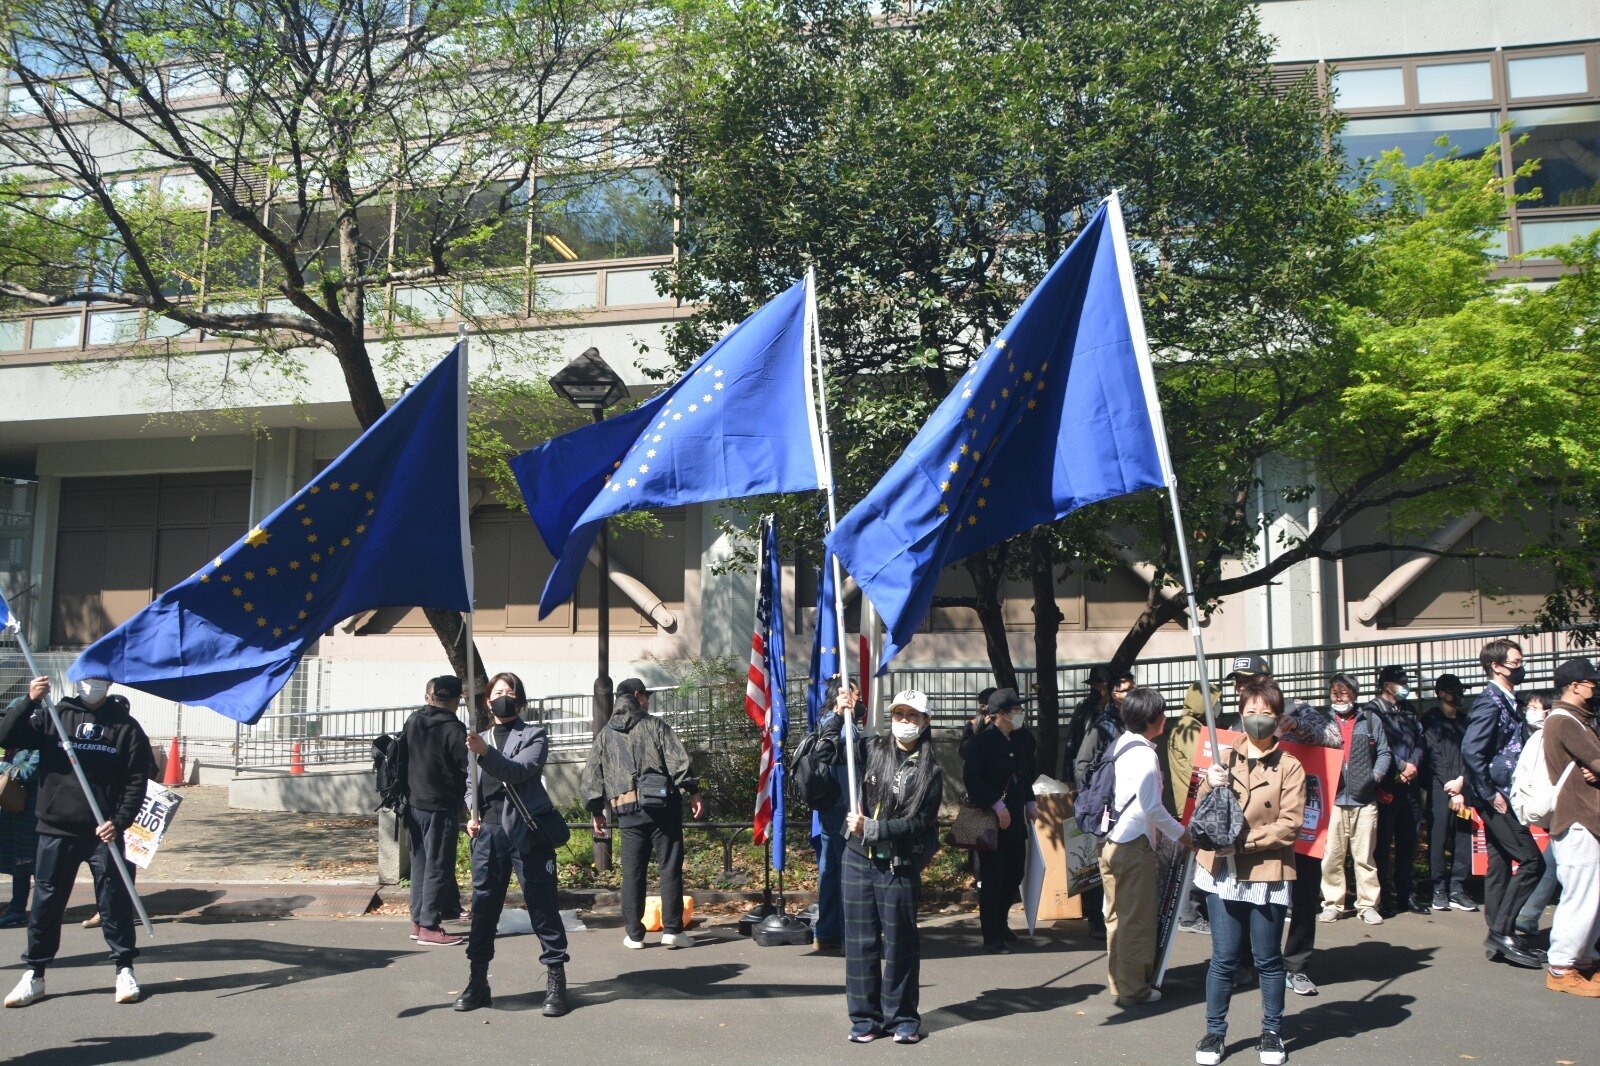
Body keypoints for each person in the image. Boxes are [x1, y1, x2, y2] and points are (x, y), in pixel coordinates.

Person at [1, 676, 149, 1008]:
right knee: (46, 905)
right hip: (56, 828)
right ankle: (35, 974)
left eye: (97, 680)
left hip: (103, 832)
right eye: (84, 679)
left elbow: (137, 779)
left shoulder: (126, 726)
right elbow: (6, 735)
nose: (90, 685)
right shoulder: (53, 717)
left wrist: (120, 821)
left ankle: (124, 968)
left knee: (115, 902)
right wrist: (29, 700)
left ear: (109, 685)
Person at [819, 689, 943, 1044]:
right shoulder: (871, 749)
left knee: (901, 943)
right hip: (857, 858)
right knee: (860, 943)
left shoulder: (931, 770)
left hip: (899, 864)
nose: (904, 722)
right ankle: (864, 1018)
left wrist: (877, 829)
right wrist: (836, 715)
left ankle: (903, 1017)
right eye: (898, 714)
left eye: (912, 716)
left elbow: (920, 822)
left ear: (925, 721)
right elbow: (827, 753)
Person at [1192, 679, 1305, 1066]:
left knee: (1268, 959)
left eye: (1267, 713)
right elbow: (1201, 815)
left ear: (1278, 718)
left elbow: (1290, 825)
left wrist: (1243, 844)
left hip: (1266, 870)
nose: (1258, 720)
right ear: (1241, 714)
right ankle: (1214, 1032)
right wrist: (1209, 783)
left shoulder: (1290, 767)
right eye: (1251, 711)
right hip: (1222, 872)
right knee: (1223, 958)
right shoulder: (1221, 760)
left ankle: (1272, 1032)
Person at [454, 672, 571, 1016]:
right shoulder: (479, 738)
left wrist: (484, 751)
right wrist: (472, 811)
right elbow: (469, 783)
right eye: (497, 692)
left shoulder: (533, 735)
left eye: (511, 692)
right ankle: (478, 981)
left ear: (519, 701)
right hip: (488, 836)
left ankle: (555, 980)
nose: (504, 697)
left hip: (527, 834)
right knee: (484, 908)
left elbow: (518, 772)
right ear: (487, 701)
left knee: (542, 905)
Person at [1226, 655, 1341, 998]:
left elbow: (1335, 738)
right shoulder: (1236, 723)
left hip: (1301, 822)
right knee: (1248, 891)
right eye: (1237, 681)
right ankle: (1246, 962)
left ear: (1268, 680)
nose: (1241, 687)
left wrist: (1295, 726)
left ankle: (1296, 965)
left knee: (1304, 893)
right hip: (1256, 826)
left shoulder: (1298, 708)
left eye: (1248, 680)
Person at [582, 677, 704, 950]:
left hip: (627, 813)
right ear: (638, 695)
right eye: (646, 696)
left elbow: (592, 777)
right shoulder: (655, 726)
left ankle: (635, 934)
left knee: (632, 872)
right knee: (669, 867)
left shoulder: (605, 735)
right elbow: (678, 762)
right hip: (663, 809)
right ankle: (672, 930)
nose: (648, 701)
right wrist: (693, 792)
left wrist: (596, 810)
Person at [1101, 686, 1189, 1007]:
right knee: (1136, 920)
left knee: (1116, 918)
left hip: (1110, 843)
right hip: (1133, 845)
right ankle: (1134, 989)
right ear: (1152, 720)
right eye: (1163, 713)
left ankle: (1119, 981)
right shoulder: (1146, 754)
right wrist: (1183, 834)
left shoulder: (1121, 744)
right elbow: (1153, 808)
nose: (1166, 718)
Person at [1462, 637, 1546, 969]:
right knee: (1531, 863)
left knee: (1499, 865)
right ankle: (1502, 933)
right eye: (1514, 662)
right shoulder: (1489, 701)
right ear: (1496, 666)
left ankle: (1500, 934)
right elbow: (1472, 750)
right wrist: (1488, 793)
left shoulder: (1509, 700)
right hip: (1495, 797)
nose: (1520, 667)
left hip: (1502, 794)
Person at [1539, 658, 1600, 998]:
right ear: (1575, 686)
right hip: (1578, 820)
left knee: (1592, 897)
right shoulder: (1565, 722)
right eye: (1591, 682)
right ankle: (1562, 968)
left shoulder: (1575, 720)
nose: (1595, 687)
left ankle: (1584, 962)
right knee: (1581, 897)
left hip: (1584, 820)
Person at [961, 687, 1038, 953]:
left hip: (1015, 818)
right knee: (993, 877)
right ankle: (991, 933)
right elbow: (972, 778)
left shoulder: (1016, 739)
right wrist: (996, 803)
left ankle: (1002, 921)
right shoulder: (982, 742)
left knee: (1015, 871)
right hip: (990, 820)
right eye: (1016, 710)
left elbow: (1024, 774)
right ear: (1003, 714)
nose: (1021, 714)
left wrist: (1030, 802)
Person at [1319, 673, 1391, 927]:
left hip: (1365, 799)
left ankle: (1368, 905)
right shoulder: (1322, 721)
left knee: (1364, 857)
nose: (1339, 698)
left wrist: (1376, 775)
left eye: (1344, 693)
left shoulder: (1370, 720)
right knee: (1332, 857)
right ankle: (1332, 904)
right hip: (1334, 800)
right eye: (1334, 693)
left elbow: (1384, 751)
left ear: (1355, 695)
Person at [405, 674, 468, 947]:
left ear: (432, 696)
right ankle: (430, 926)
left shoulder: (414, 721)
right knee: (438, 866)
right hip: (440, 806)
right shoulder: (455, 730)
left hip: (411, 803)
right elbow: (466, 768)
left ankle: (418, 921)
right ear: (457, 699)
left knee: (419, 864)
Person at [1074, 670, 1134, 939]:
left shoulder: (1136, 721)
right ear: (1111, 692)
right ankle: (1096, 918)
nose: (1127, 695)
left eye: (1131, 689)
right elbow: (1082, 763)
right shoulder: (1103, 723)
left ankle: (1120, 917)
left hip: (1131, 807)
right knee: (1097, 864)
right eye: (1121, 690)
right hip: (1104, 807)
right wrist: (1093, 796)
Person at [1368, 666, 1428, 917]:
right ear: (1386, 685)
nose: (1405, 686)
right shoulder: (1372, 711)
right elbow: (1376, 747)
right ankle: (1383, 897)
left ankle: (1406, 894)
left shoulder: (1408, 710)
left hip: (1411, 787)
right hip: (1387, 787)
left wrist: (1413, 764)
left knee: (1408, 842)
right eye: (1400, 682)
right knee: (1382, 846)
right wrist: (1401, 766)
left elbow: (1421, 741)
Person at [1164, 682, 1221, 935]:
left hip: (1185, 802)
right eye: (1216, 700)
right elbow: (1201, 763)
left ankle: (1187, 912)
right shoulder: (1191, 728)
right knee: (1194, 859)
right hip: (1190, 802)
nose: (1219, 706)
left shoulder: (1185, 725)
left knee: (1192, 857)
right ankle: (1188, 915)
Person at [814, 677, 866, 953]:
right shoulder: (844, 729)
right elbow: (849, 774)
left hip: (828, 809)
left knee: (830, 872)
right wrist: (855, 807)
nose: (858, 700)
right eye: (854, 695)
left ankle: (827, 932)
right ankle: (849, 937)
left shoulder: (823, 723)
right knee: (849, 874)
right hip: (844, 810)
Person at [1421, 674, 1477, 913]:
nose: (1459, 695)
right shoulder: (1430, 720)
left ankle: (1457, 887)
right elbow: (1433, 755)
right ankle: (1438, 888)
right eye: (1454, 691)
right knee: (1438, 836)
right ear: (1442, 693)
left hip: (1464, 790)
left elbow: (1471, 752)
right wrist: (1450, 785)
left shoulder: (1466, 721)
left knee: (1463, 835)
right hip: (1440, 789)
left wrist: (1462, 780)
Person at [0, 743, 39, 928]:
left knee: (35, 863)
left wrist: (2, 766)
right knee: (18, 861)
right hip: (15, 810)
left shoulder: (39, 747)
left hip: (32, 812)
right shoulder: (16, 746)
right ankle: (16, 910)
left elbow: (28, 773)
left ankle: (37, 911)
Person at [1066, 666, 1113, 788]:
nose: (1095, 690)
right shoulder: (1083, 707)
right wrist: (1068, 775)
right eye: (1093, 686)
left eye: (1099, 686)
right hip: (1087, 766)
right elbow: (1071, 741)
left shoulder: (1117, 710)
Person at [958, 686, 998, 760]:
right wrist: (980, 729)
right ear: (983, 706)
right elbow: (964, 753)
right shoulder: (972, 725)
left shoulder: (1005, 722)